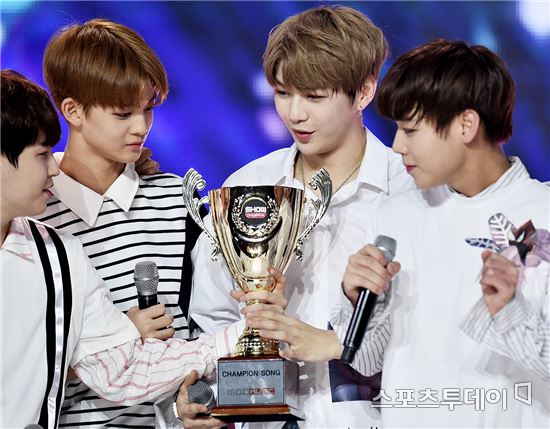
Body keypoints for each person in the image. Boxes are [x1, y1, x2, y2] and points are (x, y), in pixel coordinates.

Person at [34, 18, 287, 428]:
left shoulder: (176, 200)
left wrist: (190, 406)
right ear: (73, 111)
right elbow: (19, 360)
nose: (141, 127)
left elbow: (205, 329)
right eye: (122, 114)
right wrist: (116, 342)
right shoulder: (34, 212)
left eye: (148, 109)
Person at [185, 5, 413, 428]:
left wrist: (338, 340)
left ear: (364, 91)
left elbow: (435, 330)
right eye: (283, 93)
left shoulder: (408, 190)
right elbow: (210, 319)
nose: (294, 113)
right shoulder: (247, 186)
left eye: (314, 96)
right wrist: (205, 396)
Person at [305, 39, 549, 428]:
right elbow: (366, 360)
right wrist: (355, 299)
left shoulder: (542, 211)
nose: (398, 146)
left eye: (411, 130)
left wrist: (509, 312)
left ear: (466, 125)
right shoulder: (396, 214)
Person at [0, 69, 250, 429]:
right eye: (42, 155)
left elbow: (121, 369)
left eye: (147, 109)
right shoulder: (51, 226)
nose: (52, 169)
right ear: (73, 111)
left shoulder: (59, 254)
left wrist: (246, 332)